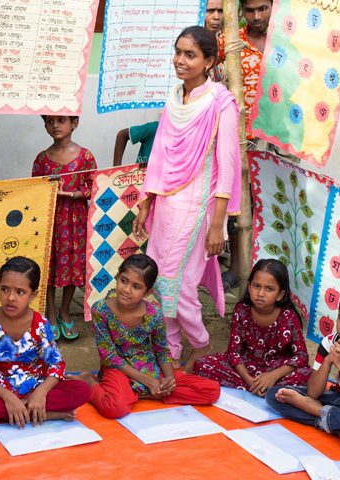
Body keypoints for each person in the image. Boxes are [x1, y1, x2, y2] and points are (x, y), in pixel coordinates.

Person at [132, 26, 240, 372]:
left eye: (190, 54)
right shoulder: (174, 98)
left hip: (198, 207)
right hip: (165, 205)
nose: (180, 60)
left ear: (209, 61)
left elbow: (228, 166)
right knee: (158, 279)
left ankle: (201, 343)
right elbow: (161, 155)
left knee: (177, 285)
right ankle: (171, 348)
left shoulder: (221, 103)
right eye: (178, 52)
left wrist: (218, 225)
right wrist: (147, 201)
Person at [75, 254, 220, 419]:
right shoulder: (101, 310)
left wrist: (169, 381)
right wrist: (148, 381)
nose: (127, 290)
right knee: (115, 408)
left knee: (212, 391)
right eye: (124, 281)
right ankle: (90, 381)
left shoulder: (154, 314)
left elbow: (161, 351)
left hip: (149, 367)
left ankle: (142, 393)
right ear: (117, 277)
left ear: (148, 291)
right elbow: (109, 357)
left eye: (136, 286)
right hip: (118, 368)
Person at [0, 257, 91, 428]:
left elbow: (56, 365)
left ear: (33, 295)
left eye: (20, 292)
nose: (11, 298)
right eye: (5, 289)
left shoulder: (40, 324)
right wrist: (8, 397)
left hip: (34, 386)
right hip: (2, 389)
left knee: (81, 390)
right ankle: (44, 414)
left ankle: (9, 415)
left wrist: (41, 392)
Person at [266, 287, 340, 437]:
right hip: (337, 398)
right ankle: (338, 428)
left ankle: (318, 413)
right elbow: (313, 393)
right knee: (275, 395)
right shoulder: (329, 341)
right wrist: (329, 360)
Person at [217, 0, 273, 290]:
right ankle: (238, 268)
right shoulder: (229, 41)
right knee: (240, 205)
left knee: (272, 206)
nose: (257, 16)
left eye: (263, 8)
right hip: (240, 138)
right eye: (250, 10)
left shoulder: (288, 39)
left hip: (279, 140)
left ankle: (271, 272)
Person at [193, 259, 311, 395]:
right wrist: (250, 381)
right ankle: (266, 391)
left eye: (269, 289)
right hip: (246, 367)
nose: (261, 293)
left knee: (307, 374)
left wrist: (273, 376)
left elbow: (301, 357)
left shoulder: (289, 317)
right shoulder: (241, 310)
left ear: (280, 294)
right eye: (256, 286)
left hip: (277, 369)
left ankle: (269, 388)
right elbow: (234, 353)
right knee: (201, 364)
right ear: (249, 287)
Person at [32, 115, 96, 340]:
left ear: (74, 123)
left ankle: (65, 310)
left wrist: (69, 193)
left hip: (76, 220)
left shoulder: (85, 156)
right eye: (50, 122)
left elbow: (93, 186)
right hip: (50, 219)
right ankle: (50, 313)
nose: (55, 126)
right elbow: (34, 188)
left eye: (61, 120)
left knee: (73, 265)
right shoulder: (41, 159)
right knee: (50, 265)